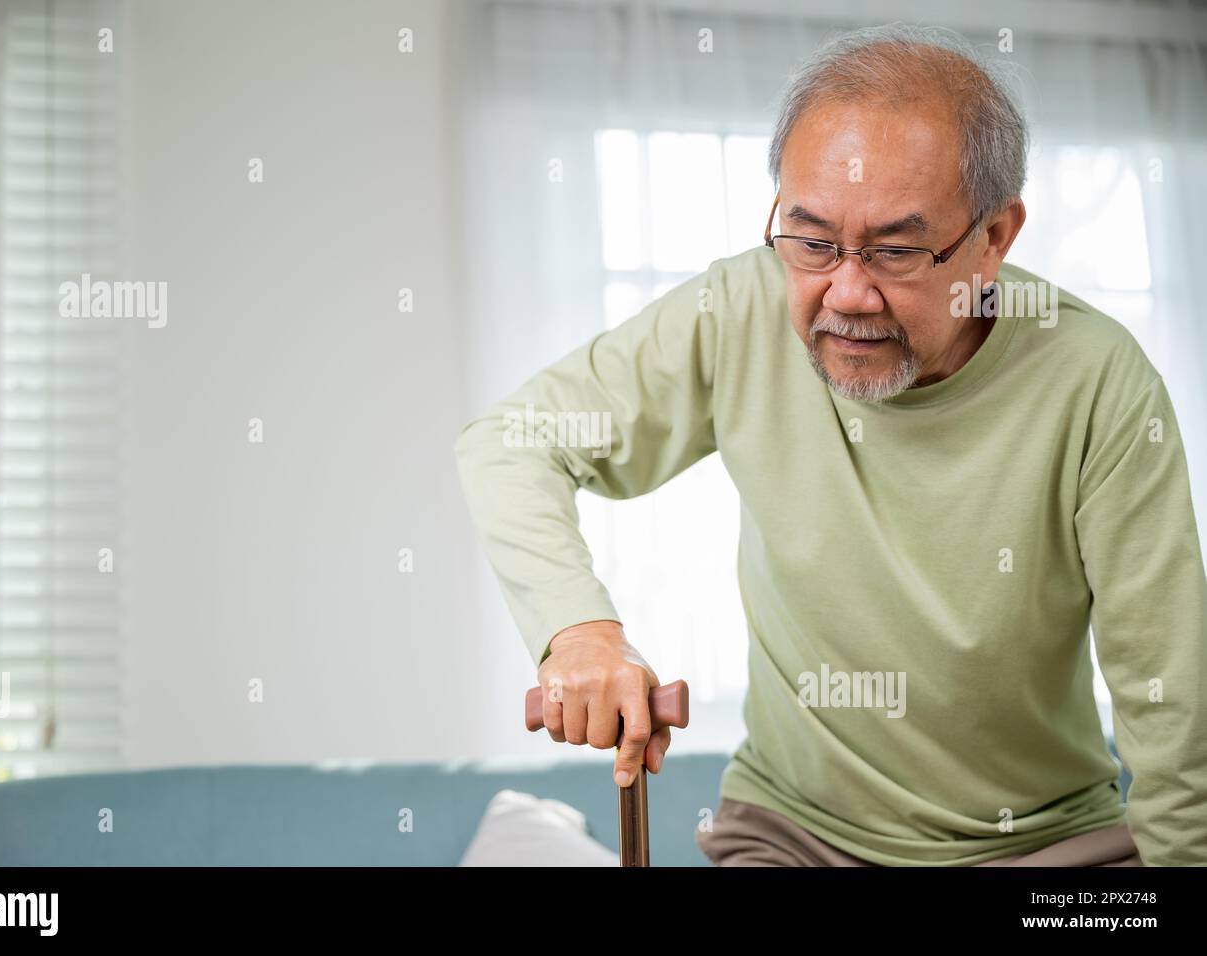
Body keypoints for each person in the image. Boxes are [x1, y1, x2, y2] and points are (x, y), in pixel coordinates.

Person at [454, 23, 1207, 866]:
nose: (846, 293)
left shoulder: (1098, 379)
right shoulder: (737, 311)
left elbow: (1170, 699)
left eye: (895, 249)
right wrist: (580, 632)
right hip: (792, 839)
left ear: (994, 238)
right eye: (812, 241)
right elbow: (512, 441)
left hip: (1048, 848)